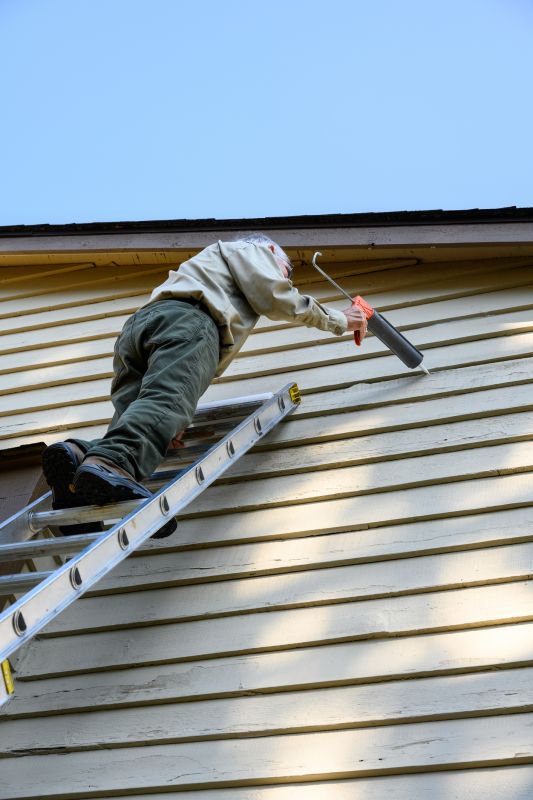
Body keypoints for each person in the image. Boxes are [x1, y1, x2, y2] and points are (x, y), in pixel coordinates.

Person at [42, 233, 367, 538]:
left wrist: (174, 418)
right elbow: (273, 295)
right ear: (271, 252)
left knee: (135, 415)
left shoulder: (207, 266)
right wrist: (340, 319)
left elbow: (167, 389)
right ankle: (109, 463)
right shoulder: (251, 251)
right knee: (158, 411)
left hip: (138, 330)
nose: (285, 280)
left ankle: (78, 463)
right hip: (190, 321)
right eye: (285, 272)